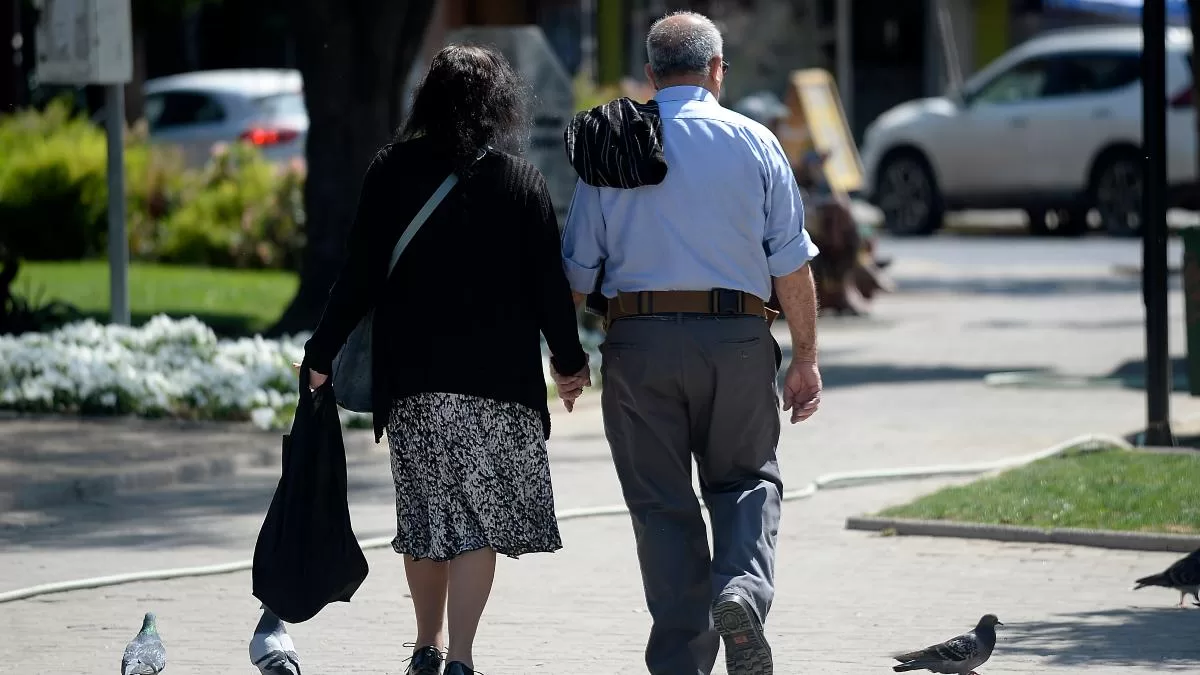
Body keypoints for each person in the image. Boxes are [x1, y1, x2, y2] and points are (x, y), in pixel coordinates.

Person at [302, 45, 590, 675]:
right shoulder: (521, 182)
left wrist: (320, 353)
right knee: (478, 525)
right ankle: (461, 656)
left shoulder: (391, 171)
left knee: (425, 517)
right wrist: (569, 364)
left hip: (415, 383)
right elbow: (548, 287)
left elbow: (357, 276)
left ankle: (425, 646)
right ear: (498, 106)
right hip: (499, 385)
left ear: (427, 99)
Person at [555, 11, 822, 675]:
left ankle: (680, 663)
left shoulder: (612, 142)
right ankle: (741, 591)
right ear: (717, 70)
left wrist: (567, 360)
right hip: (736, 337)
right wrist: (807, 360)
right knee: (747, 480)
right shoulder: (755, 143)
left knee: (661, 506)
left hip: (637, 343)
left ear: (650, 74)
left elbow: (577, 274)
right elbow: (792, 265)